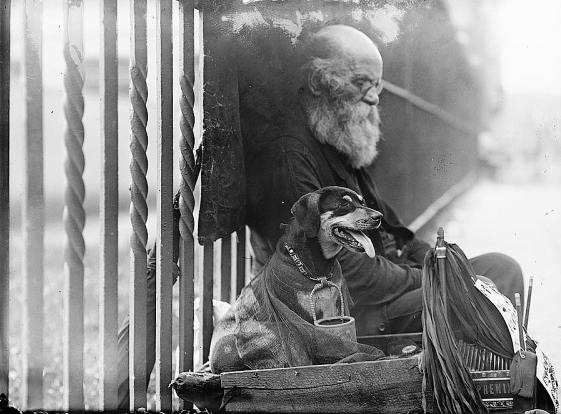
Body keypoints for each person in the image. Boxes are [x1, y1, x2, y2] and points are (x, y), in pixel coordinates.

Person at [117, 24, 524, 408]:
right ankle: (469, 393)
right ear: (319, 83)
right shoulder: (291, 155)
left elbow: (396, 229)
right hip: (345, 314)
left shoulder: (337, 135)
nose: (373, 98)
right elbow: (352, 275)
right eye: (362, 83)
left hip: (387, 285)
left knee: (496, 270)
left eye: (377, 86)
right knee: (493, 283)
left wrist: (433, 263)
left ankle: (475, 384)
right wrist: (431, 278)